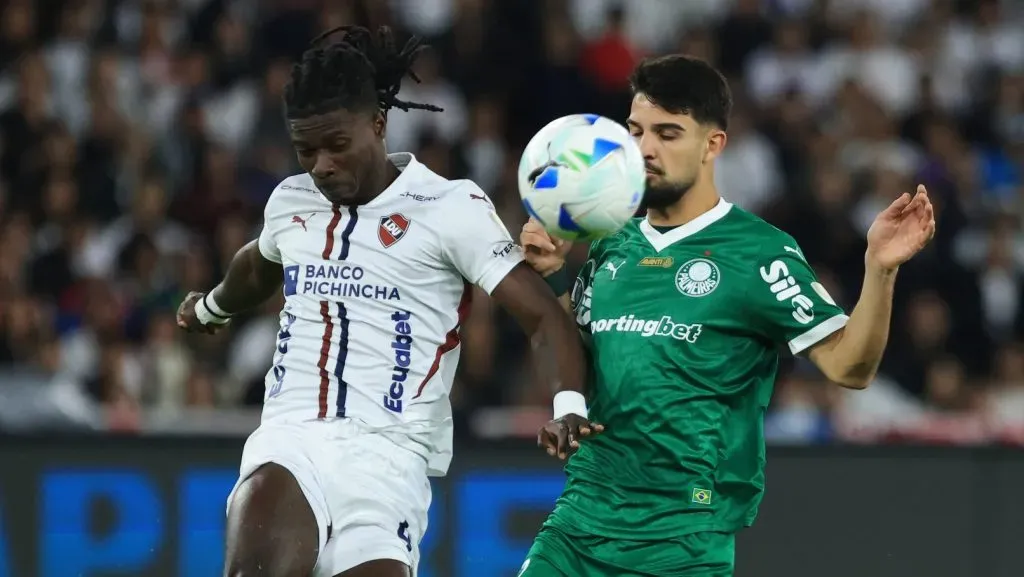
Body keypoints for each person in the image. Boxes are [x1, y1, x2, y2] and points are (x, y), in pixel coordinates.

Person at [176, 26, 597, 577]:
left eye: (336, 145)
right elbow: (258, 264)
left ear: (377, 124)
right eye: (306, 150)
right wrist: (212, 307)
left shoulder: (450, 207)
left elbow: (541, 314)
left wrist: (568, 406)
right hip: (294, 436)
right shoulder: (291, 201)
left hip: (391, 462)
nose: (321, 165)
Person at [518, 55, 936, 577]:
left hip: (683, 539)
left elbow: (851, 367)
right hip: (579, 521)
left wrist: (879, 270)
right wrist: (554, 278)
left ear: (713, 145)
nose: (645, 149)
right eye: (636, 131)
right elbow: (576, 359)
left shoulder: (760, 254)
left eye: (669, 134)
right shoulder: (609, 243)